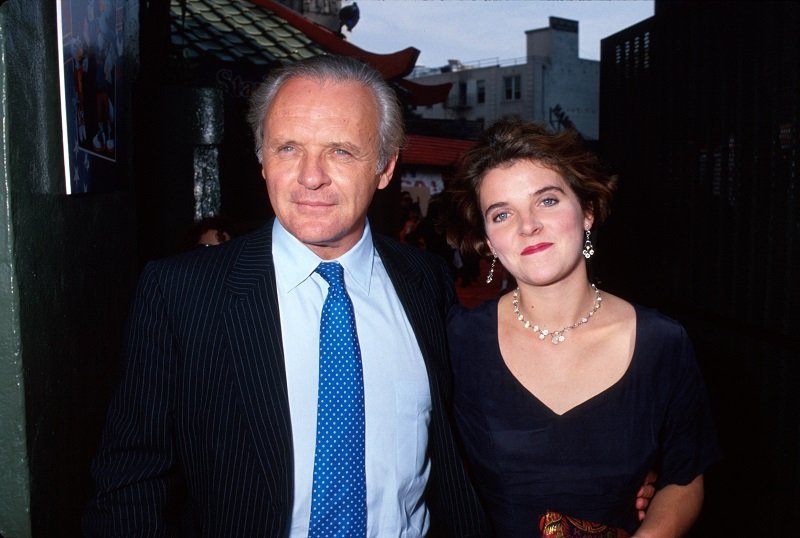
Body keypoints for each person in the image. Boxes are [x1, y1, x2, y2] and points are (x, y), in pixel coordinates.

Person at [82, 55, 488, 536]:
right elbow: (131, 485)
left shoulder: (425, 280)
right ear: (262, 160)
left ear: (384, 166)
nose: (310, 176)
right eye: (288, 148)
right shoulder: (179, 293)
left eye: (340, 151)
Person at [445, 119, 720, 537]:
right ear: (487, 241)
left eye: (548, 201)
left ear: (587, 211)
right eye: (502, 214)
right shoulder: (458, 340)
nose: (528, 225)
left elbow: (686, 476)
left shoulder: (662, 342)